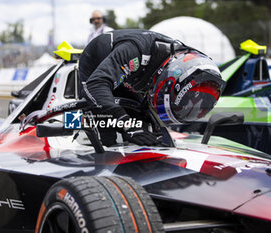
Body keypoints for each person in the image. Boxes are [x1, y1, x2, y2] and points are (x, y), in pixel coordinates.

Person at [79, 29, 225, 147]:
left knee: (144, 128)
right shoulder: (135, 52)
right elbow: (95, 86)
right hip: (96, 67)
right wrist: (127, 124)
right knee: (108, 133)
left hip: (135, 74)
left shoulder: (186, 58)